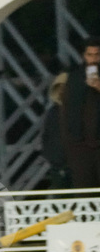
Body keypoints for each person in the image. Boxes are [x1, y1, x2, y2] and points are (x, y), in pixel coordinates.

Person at [47, 37, 100, 188]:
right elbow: (67, 111)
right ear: (84, 55)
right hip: (79, 145)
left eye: (97, 55)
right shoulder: (74, 77)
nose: (93, 59)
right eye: (90, 55)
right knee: (85, 190)